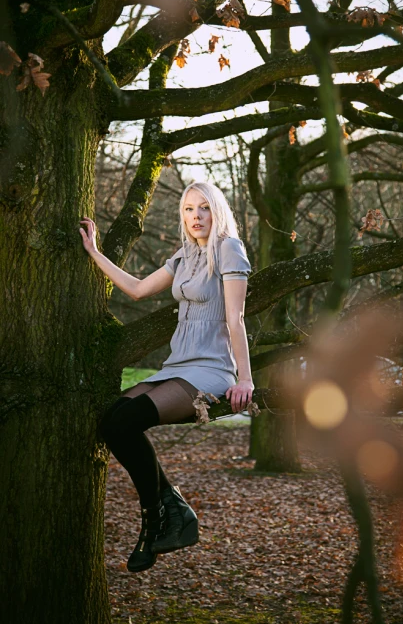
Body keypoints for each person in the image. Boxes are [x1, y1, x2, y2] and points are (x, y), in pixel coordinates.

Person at [79, 181, 254, 572]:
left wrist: (245, 379)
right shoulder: (185, 255)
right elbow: (138, 289)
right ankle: (170, 507)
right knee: (112, 420)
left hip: (209, 369)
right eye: (189, 209)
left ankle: (153, 520)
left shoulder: (228, 248)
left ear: (218, 211)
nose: (196, 217)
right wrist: (93, 252)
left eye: (204, 208)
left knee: (126, 421)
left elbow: (235, 317)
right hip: (178, 365)